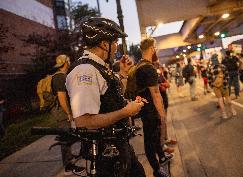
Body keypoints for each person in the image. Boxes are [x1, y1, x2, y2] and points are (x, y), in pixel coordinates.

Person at [66, 17, 146, 177]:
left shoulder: (98, 67)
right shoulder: (85, 71)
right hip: (106, 158)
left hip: (119, 149)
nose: (117, 47)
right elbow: (84, 122)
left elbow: (110, 96)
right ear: (104, 44)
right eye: (115, 42)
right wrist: (126, 112)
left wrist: (122, 74)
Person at [136, 37, 172, 177]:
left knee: (153, 138)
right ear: (151, 48)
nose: (155, 50)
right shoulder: (148, 68)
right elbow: (156, 94)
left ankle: (160, 159)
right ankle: (157, 170)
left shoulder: (139, 65)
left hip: (145, 110)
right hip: (150, 111)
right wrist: (162, 115)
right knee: (150, 141)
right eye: (155, 48)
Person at [51, 54, 85, 175]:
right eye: (68, 60)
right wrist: (69, 113)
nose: (70, 62)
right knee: (65, 139)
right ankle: (68, 167)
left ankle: (69, 157)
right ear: (66, 62)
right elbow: (61, 97)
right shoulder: (60, 77)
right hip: (62, 113)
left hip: (62, 112)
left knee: (68, 136)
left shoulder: (62, 76)